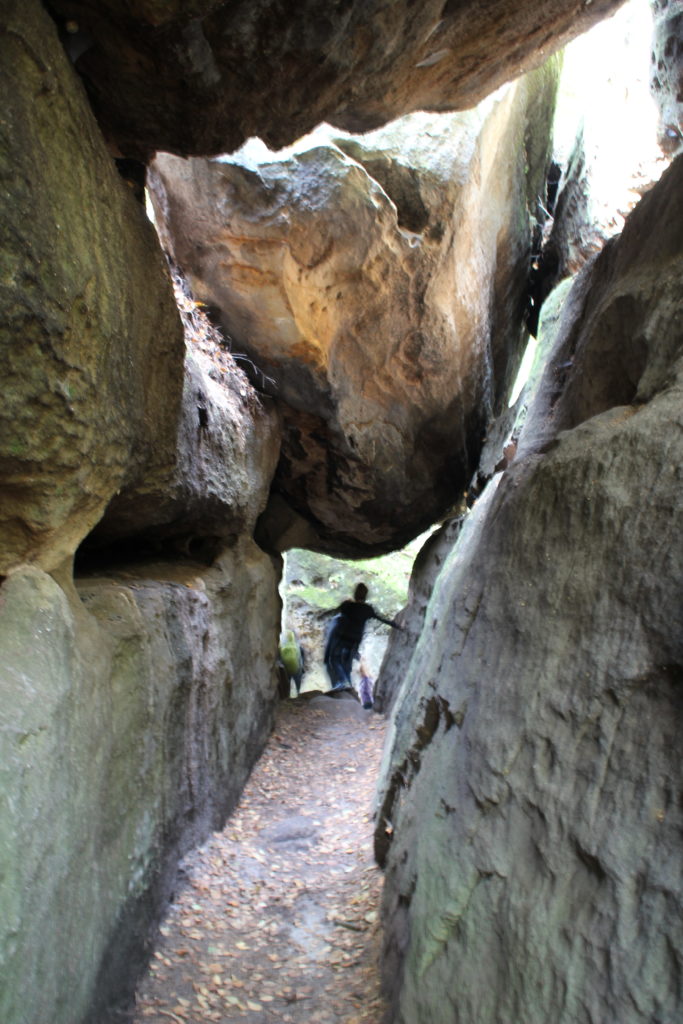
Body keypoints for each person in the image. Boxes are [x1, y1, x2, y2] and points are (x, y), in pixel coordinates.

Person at [321, 582, 400, 691]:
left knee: (334, 659)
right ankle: (348, 685)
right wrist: (395, 625)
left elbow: (333, 612)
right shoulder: (367, 609)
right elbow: (381, 618)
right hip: (355, 640)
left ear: (355, 594)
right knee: (347, 663)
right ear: (365, 596)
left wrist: (322, 616)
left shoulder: (348, 605)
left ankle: (343, 681)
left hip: (343, 637)